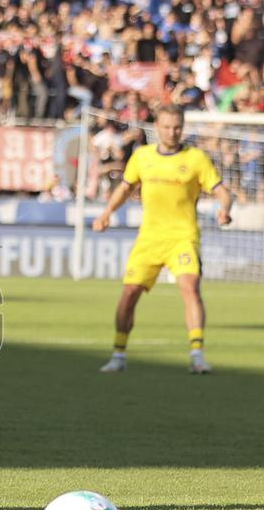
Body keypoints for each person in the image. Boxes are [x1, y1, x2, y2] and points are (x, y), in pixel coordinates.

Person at [92, 105, 233, 374]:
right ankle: (118, 355)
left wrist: (225, 209)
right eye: (167, 127)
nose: (172, 132)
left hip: (183, 237)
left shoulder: (196, 159)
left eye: (177, 127)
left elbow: (222, 191)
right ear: (156, 127)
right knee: (129, 294)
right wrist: (107, 213)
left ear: (183, 126)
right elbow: (125, 187)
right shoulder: (142, 157)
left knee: (190, 287)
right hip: (150, 238)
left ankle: (197, 355)